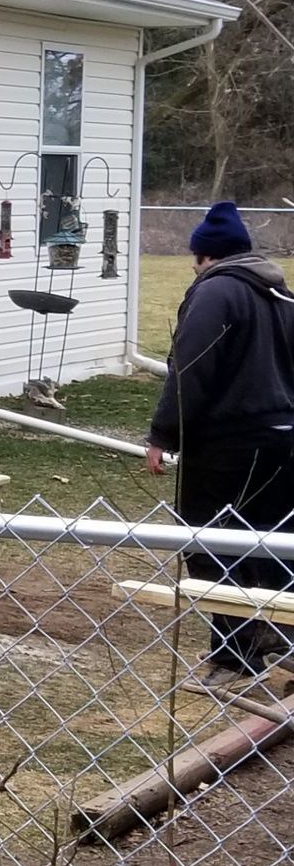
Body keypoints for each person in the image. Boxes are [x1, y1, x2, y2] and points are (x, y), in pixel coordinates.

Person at [147, 200, 294, 684]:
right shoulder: (280, 293)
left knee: (211, 544)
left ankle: (234, 656)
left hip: (226, 446)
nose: (192, 265)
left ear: (207, 254)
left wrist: (163, 434)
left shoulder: (216, 294)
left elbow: (190, 370)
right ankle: (284, 640)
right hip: (282, 440)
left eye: (195, 256)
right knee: (275, 543)